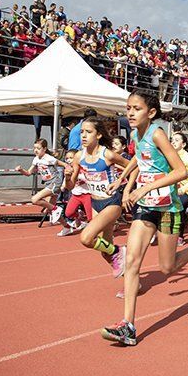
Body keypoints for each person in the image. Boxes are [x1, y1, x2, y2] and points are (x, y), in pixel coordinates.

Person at [100, 90, 188, 346]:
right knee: (131, 261)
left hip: (168, 208)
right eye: (128, 107)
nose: (130, 112)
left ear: (151, 113)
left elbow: (181, 171)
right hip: (145, 206)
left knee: (167, 267)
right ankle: (128, 325)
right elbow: (138, 160)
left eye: (136, 108)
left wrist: (147, 187)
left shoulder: (157, 133)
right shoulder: (134, 134)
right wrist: (124, 182)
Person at [69, 117, 130, 278]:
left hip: (112, 203)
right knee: (105, 251)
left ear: (98, 135)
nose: (83, 136)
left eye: (88, 132)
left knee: (87, 238)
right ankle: (131, 280)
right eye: (82, 132)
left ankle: (119, 251)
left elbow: (132, 166)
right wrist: (68, 177)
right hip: (95, 203)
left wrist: (121, 182)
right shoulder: (78, 157)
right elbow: (70, 186)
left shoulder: (107, 155)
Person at [14, 139, 68, 223]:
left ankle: (56, 208)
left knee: (34, 199)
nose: (36, 150)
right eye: (34, 148)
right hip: (48, 184)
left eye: (38, 148)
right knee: (49, 210)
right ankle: (67, 227)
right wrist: (21, 170)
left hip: (55, 182)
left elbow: (63, 164)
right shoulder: (36, 159)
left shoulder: (48, 158)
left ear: (44, 149)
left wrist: (68, 168)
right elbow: (28, 173)